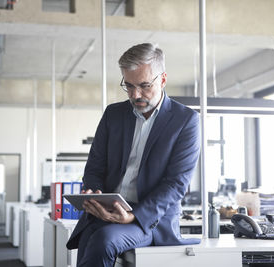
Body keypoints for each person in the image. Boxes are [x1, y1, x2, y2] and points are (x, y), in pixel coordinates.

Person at [66, 43, 201, 267]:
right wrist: (95, 193)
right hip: (106, 211)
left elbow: (176, 184)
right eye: (128, 86)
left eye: (144, 85)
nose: (135, 94)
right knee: (89, 237)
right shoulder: (113, 114)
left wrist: (134, 216)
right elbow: (94, 167)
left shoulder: (185, 121)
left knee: (103, 240)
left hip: (148, 220)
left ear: (163, 80)